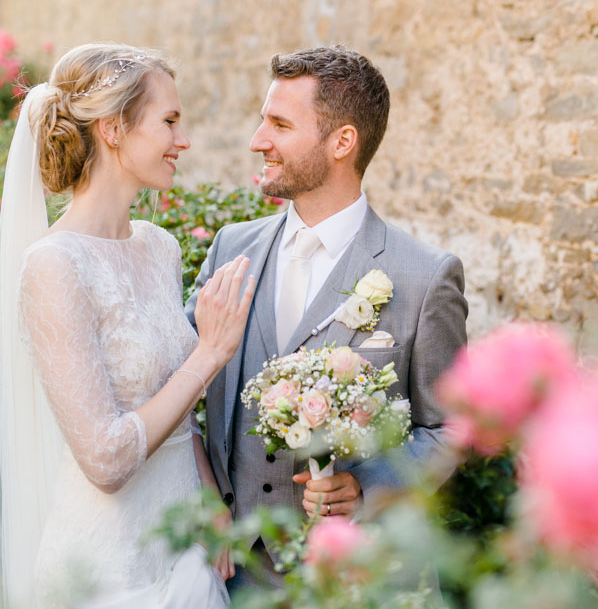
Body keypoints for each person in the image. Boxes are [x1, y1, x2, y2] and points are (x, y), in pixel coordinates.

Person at [184, 45, 468, 589]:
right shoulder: (231, 250)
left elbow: (450, 428)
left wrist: (369, 487)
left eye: (279, 124)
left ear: (342, 142)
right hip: (229, 571)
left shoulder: (424, 276)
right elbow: (174, 380)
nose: (257, 140)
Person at [0, 43, 253, 608]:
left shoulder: (159, 248)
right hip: (110, 566)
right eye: (170, 121)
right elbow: (106, 460)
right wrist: (208, 355)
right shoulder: (54, 265)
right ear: (113, 128)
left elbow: (170, 407)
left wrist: (210, 501)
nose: (182, 141)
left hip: (184, 545)